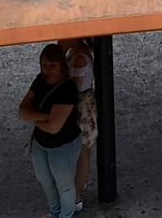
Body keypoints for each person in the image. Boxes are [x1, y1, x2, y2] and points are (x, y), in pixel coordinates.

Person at [18, 43, 80, 218]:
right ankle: (55, 213)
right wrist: (45, 117)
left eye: (52, 65)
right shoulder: (40, 80)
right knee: (46, 182)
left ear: (61, 64)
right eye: (44, 65)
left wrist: (33, 118)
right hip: (41, 143)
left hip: (63, 145)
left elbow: (54, 127)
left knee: (64, 185)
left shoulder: (67, 88)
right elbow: (21, 109)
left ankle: (66, 216)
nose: (47, 69)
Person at [60, 38, 98, 205]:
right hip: (84, 104)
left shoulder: (79, 58)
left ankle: (75, 197)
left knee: (82, 153)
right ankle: (77, 191)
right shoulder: (75, 53)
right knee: (83, 151)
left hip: (80, 106)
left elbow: (72, 89)